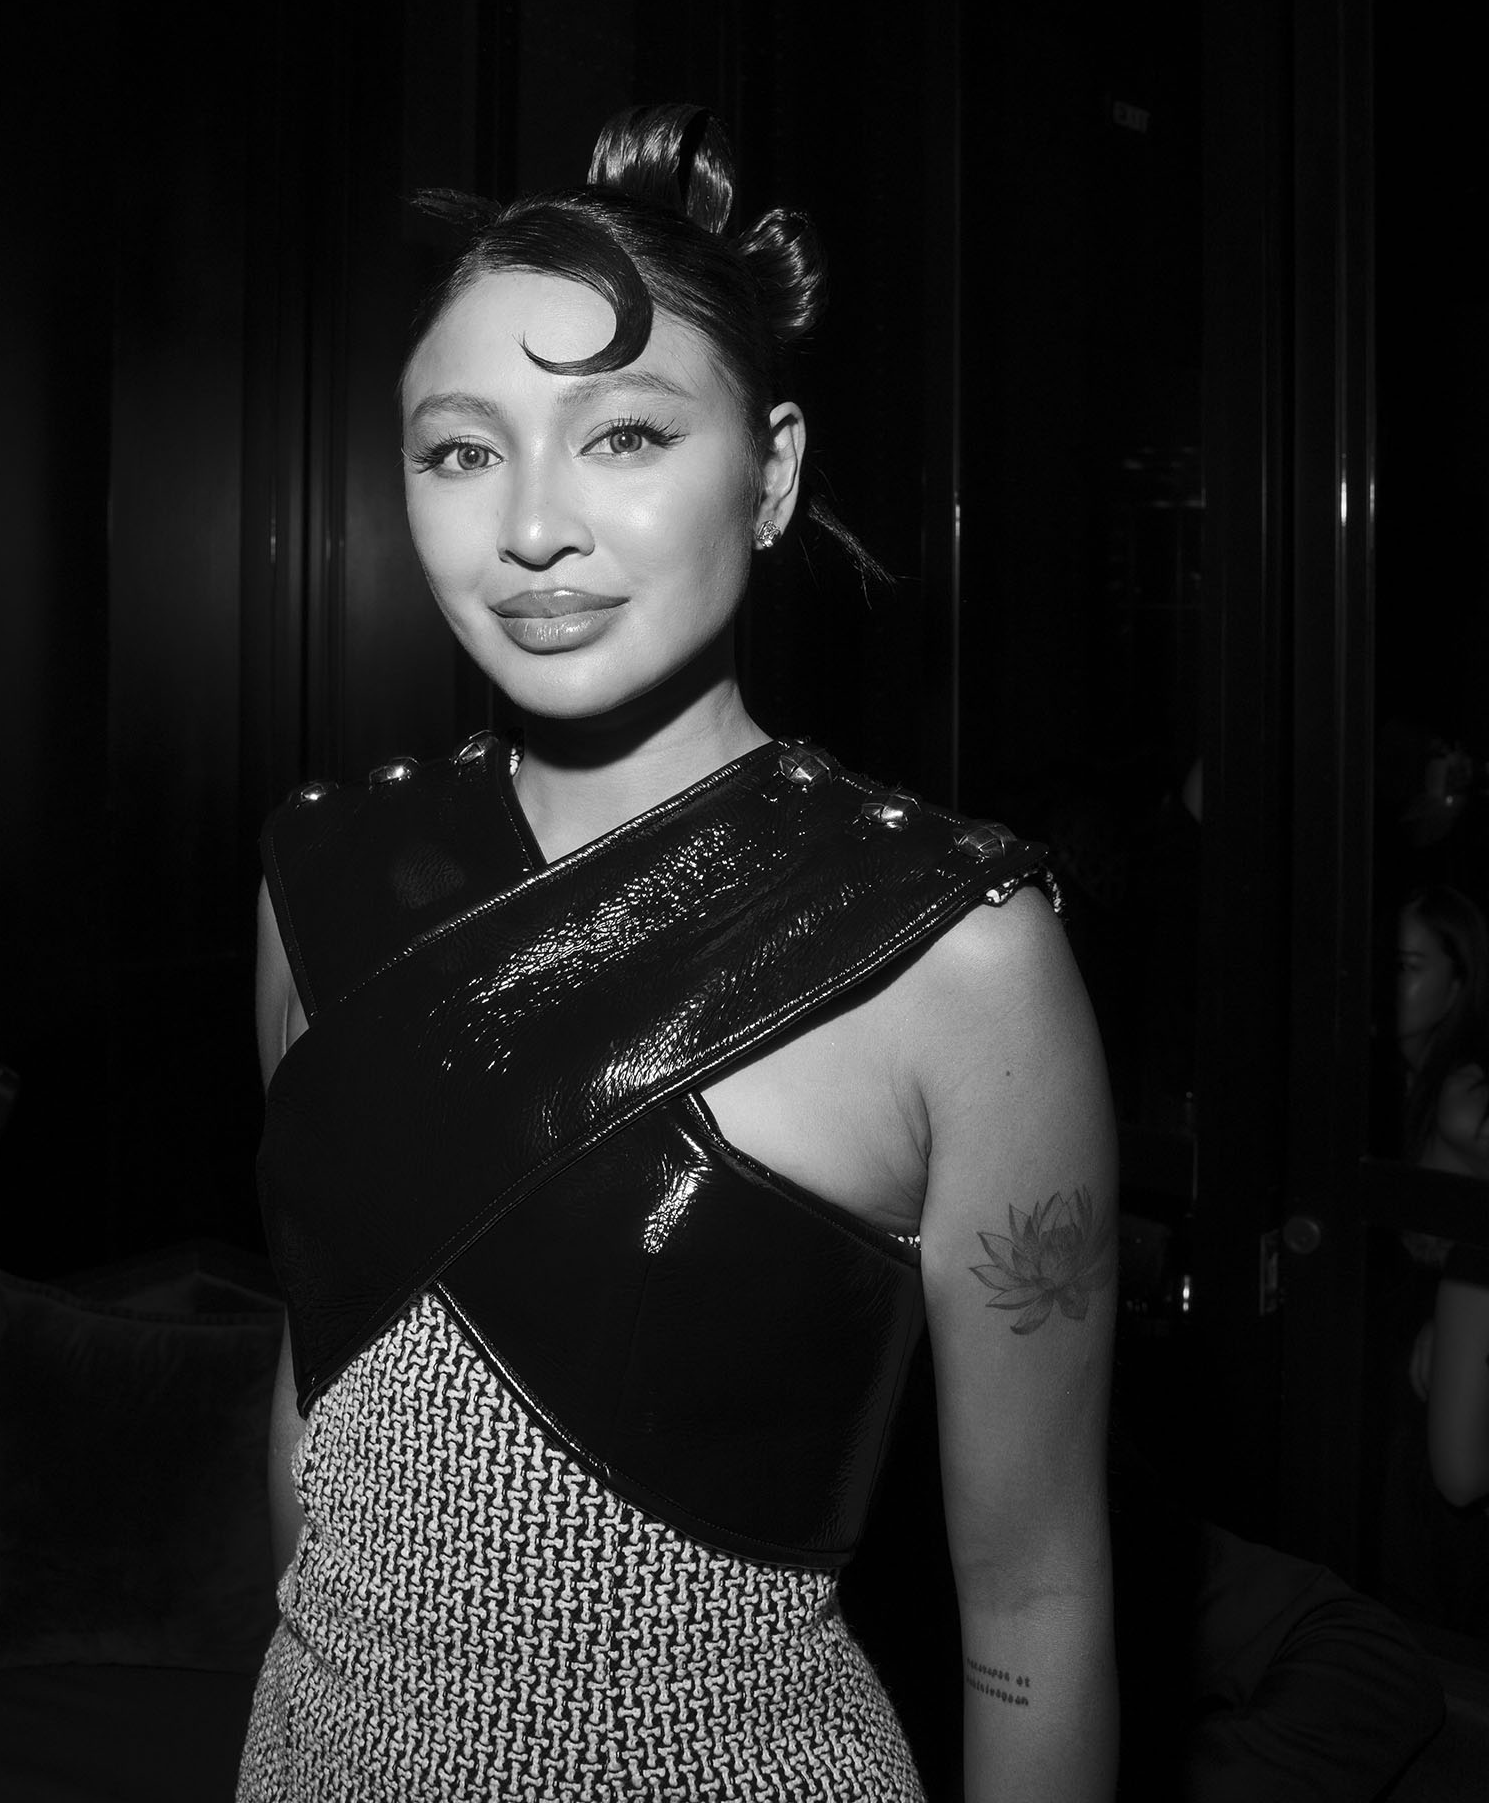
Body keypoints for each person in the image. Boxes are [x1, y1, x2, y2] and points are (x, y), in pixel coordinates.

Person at [236, 105, 1118, 1802]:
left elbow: (1039, 1595)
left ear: (771, 473)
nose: (532, 529)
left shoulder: (957, 955)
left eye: (625, 435)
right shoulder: (317, 882)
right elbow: (319, 1380)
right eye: (460, 452)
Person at [1395, 887, 1489, 1510]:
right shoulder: (1401, 1084)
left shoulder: (1460, 1099)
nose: (1386, 983)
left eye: (1407, 966)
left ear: (1457, 985)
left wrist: (1457, 1322)